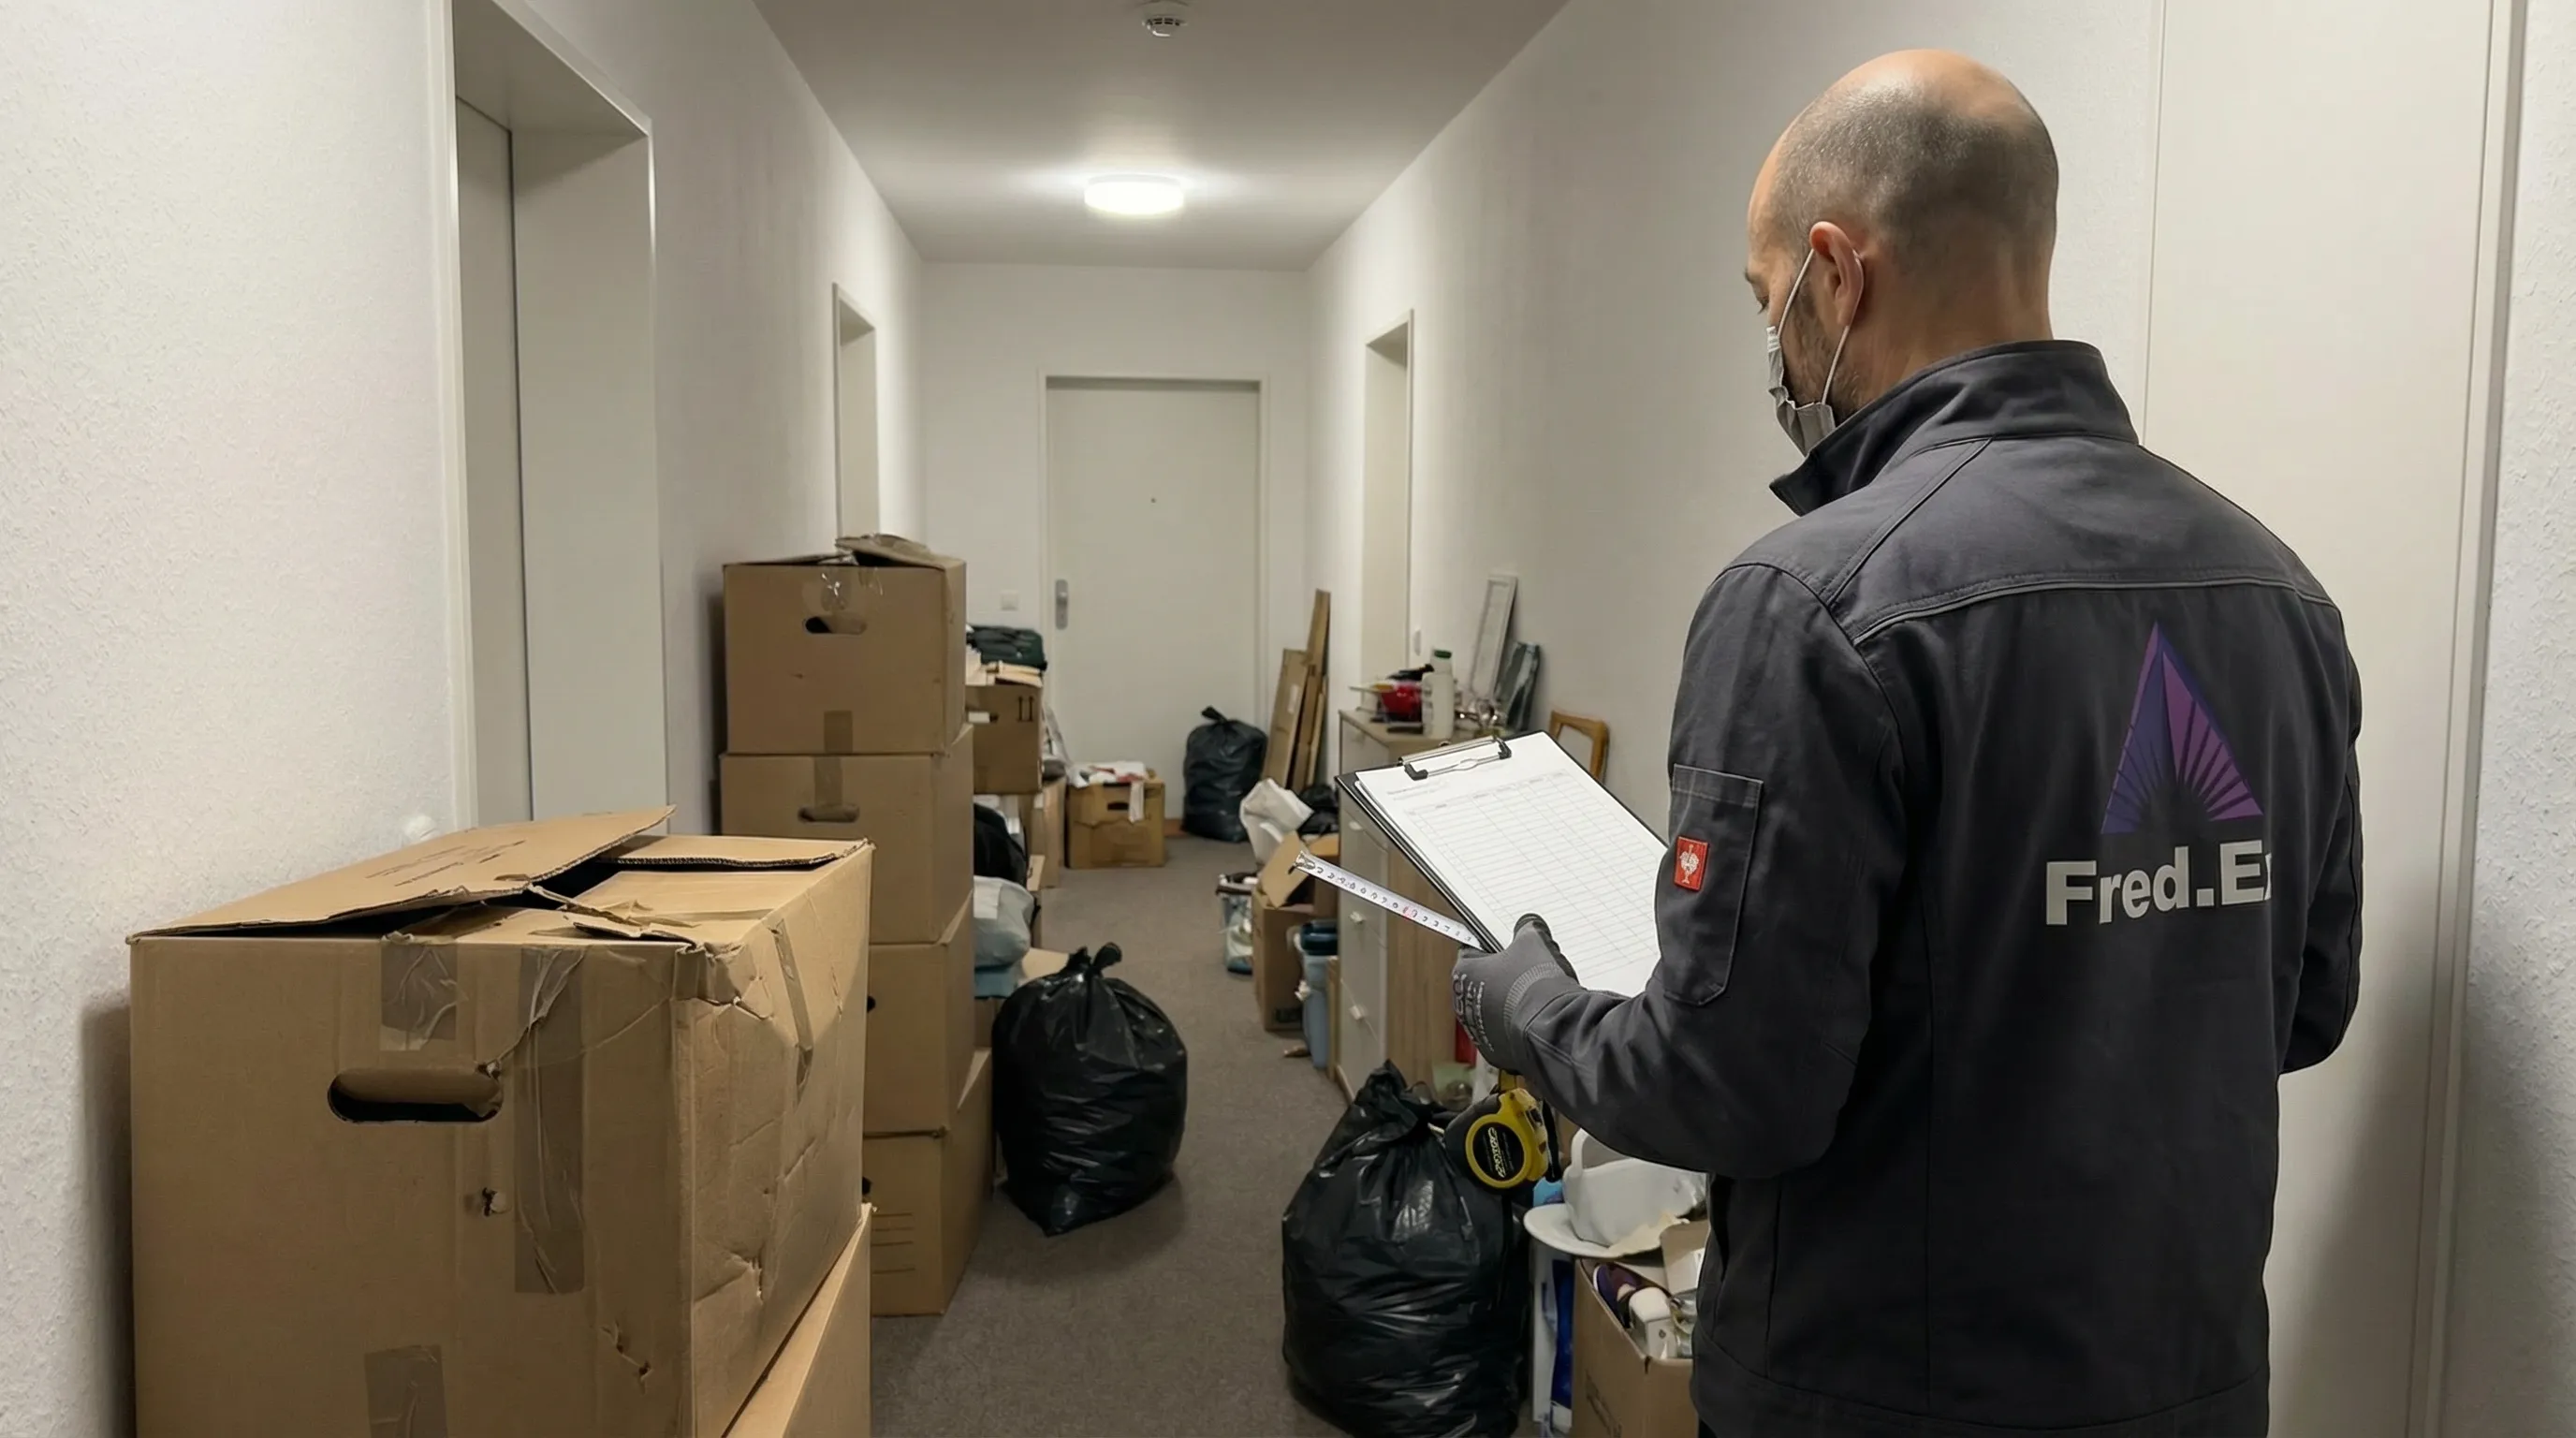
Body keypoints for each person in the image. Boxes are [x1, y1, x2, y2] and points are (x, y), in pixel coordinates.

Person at [1452, 50, 2363, 1438]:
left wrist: (1525, 1005)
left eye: (1769, 307)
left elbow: (1724, 1090)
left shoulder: (1811, 603)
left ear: (1836, 273)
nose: (1775, 352)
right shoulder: (2276, 592)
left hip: (1880, 1391)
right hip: (2193, 1385)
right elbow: (2302, 1006)